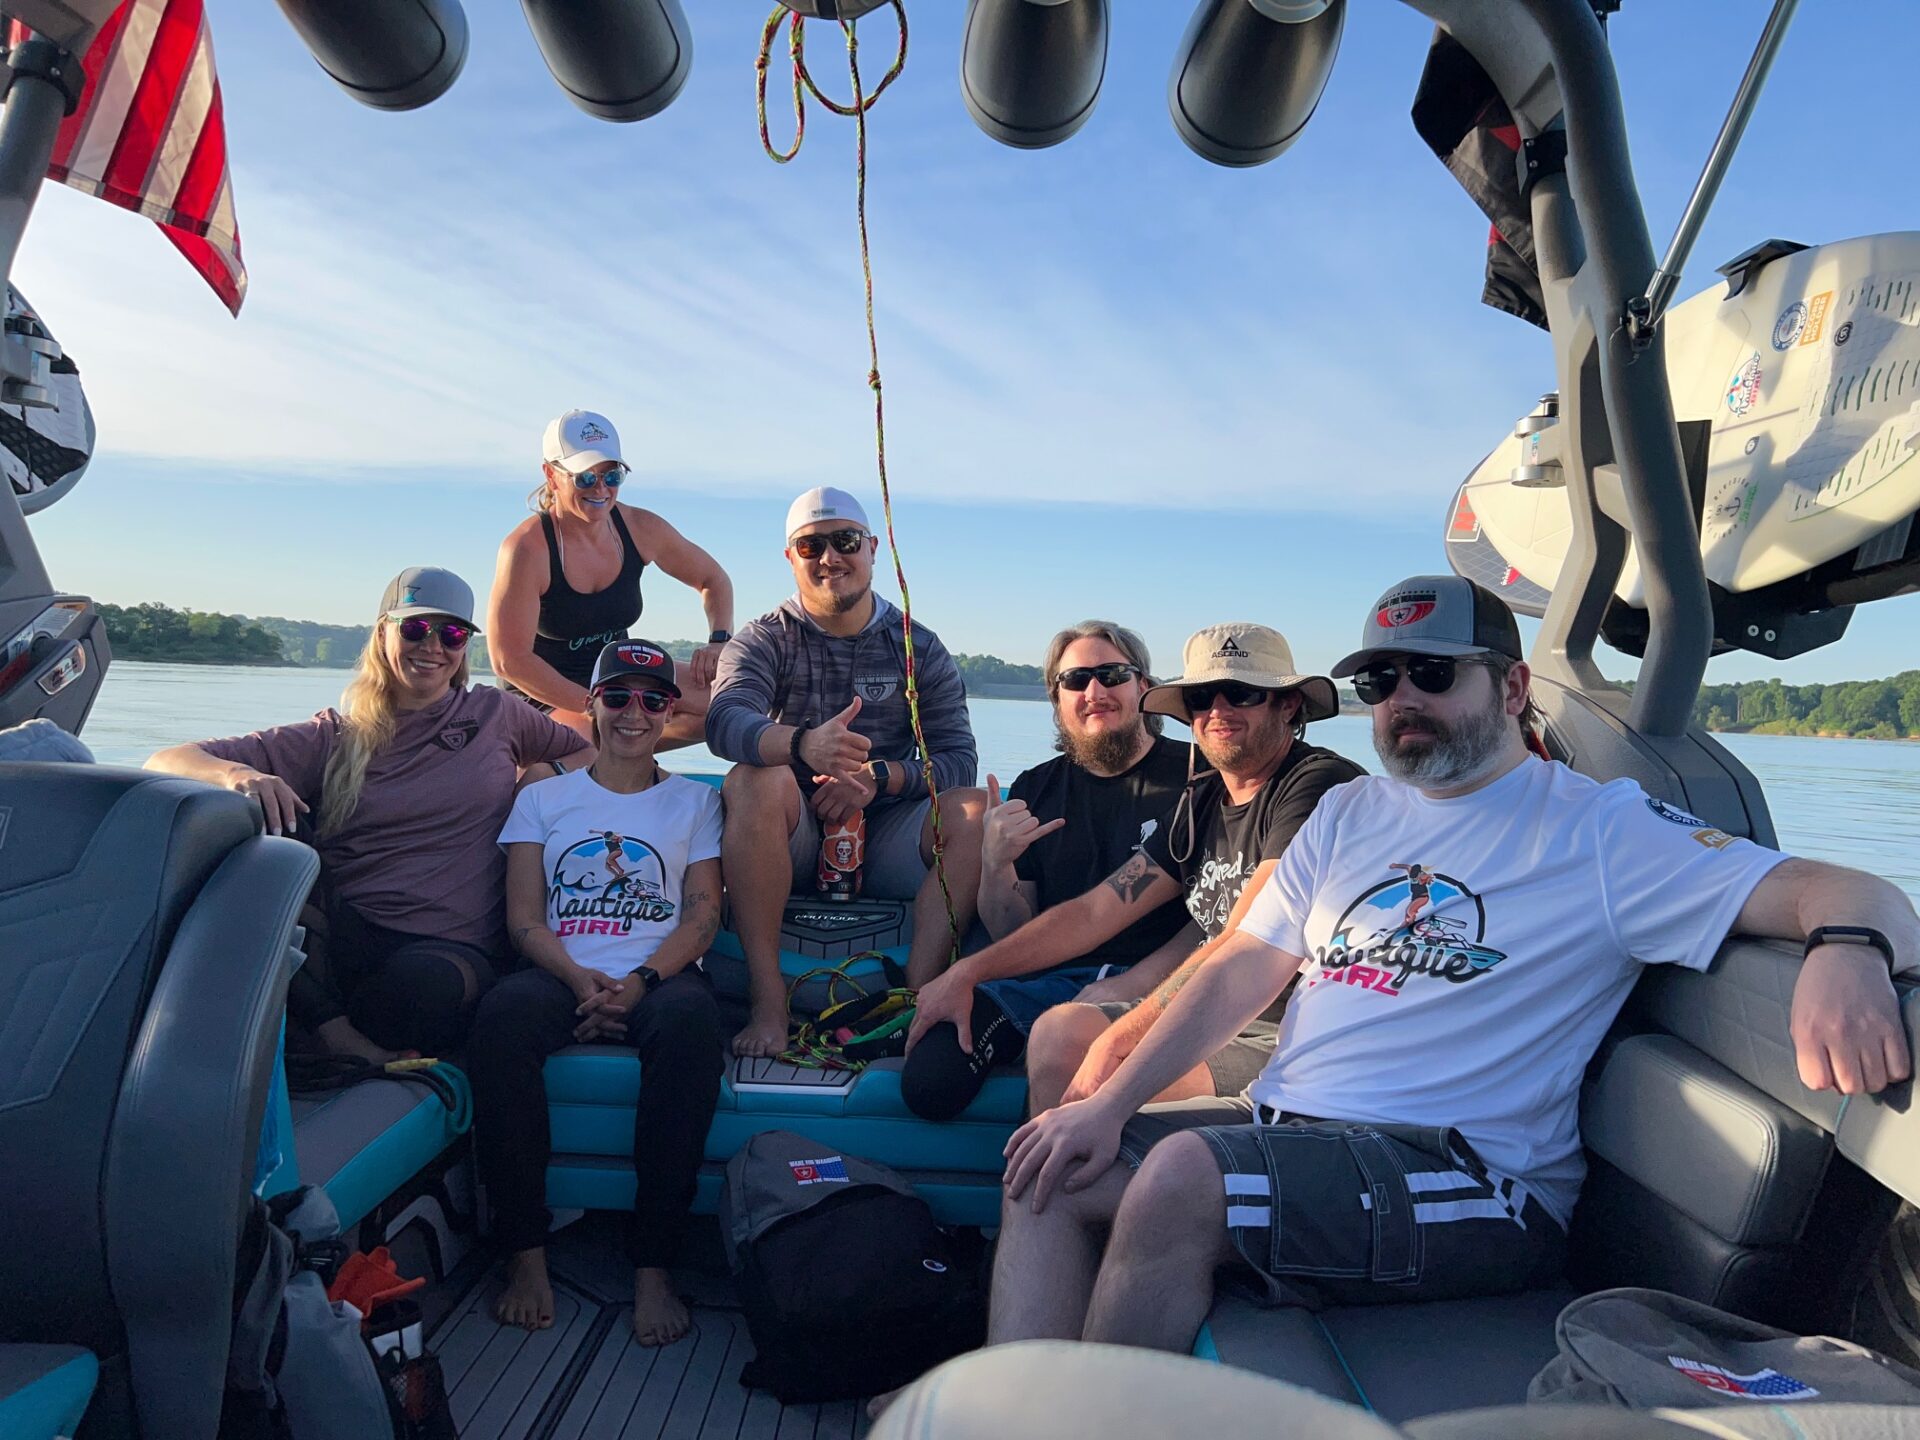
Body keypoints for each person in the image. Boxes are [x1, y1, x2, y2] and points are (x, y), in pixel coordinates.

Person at [988, 575, 1916, 1359]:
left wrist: (1847, 950)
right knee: (1044, 1165)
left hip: (1473, 1180)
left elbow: (1844, 891)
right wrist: (1103, 1107)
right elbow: (1238, 966)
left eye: (1433, 673)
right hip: (1294, 1133)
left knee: (1180, 1181)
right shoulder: (1355, 817)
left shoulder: (1600, 830)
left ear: (1512, 688)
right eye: (1381, 679)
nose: (1402, 699)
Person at [905, 623, 1362, 1117]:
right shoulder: (1206, 795)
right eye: (1202, 697)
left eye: (1243, 693)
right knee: (1010, 1055)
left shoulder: (1316, 786)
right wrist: (967, 971)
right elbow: (1099, 909)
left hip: (1276, 1025)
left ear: (1288, 704)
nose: (1218, 711)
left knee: (1070, 1051)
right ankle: (1049, 1186)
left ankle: (1058, 1179)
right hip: (1180, 998)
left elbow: (1245, 938)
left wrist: (1126, 1020)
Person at [146, 568, 590, 1062]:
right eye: (416, 629)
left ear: (465, 647)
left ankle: (322, 1034)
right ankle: (332, 1033)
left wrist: (540, 774)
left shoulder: (495, 714)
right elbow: (167, 760)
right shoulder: (336, 735)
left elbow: (592, 755)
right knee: (260, 851)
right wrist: (238, 775)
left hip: (451, 946)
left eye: (453, 634)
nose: (433, 647)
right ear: (383, 633)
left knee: (422, 989)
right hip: (344, 938)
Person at [467, 639, 725, 1345]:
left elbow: (703, 918)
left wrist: (641, 983)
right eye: (617, 696)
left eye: (651, 699)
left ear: (671, 711)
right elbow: (523, 918)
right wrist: (579, 979)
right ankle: (526, 1254)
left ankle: (654, 1265)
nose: (633, 713)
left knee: (692, 1033)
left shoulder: (696, 803)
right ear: (592, 704)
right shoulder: (543, 799)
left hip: (661, 977)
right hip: (559, 971)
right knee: (499, 1021)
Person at [705, 486, 987, 1056]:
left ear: (872, 548)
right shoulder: (763, 638)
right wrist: (803, 745)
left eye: (844, 541)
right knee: (752, 779)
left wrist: (880, 779)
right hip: (793, 837)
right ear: (791, 558)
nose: (829, 557)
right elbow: (724, 719)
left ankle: (915, 1000)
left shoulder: (918, 646)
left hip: (886, 835)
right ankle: (767, 1001)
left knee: (977, 809)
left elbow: (958, 757)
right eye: (811, 545)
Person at [898, 621, 1194, 1120]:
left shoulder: (1196, 777)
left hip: (1160, 981)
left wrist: (1137, 984)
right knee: (931, 1084)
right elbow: (1013, 928)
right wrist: (995, 863)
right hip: (1051, 983)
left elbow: (1221, 916)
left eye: (1112, 674)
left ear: (1144, 686)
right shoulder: (1036, 786)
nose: (1094, 692)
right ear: (1057, 700)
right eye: (1075, 681)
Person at [488, 409, 735, 745]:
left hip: (619, 674)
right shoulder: (527, 549)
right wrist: (594, 706)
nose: (601, 488)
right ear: (550, 474)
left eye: (612, 475)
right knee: (579, 744)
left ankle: (627, 757)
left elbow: (713, 579)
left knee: (733, 701)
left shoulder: (640, 528)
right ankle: (606, 757)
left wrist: (719, 641)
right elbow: (510, 661)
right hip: (546, 693)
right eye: (585, 478)